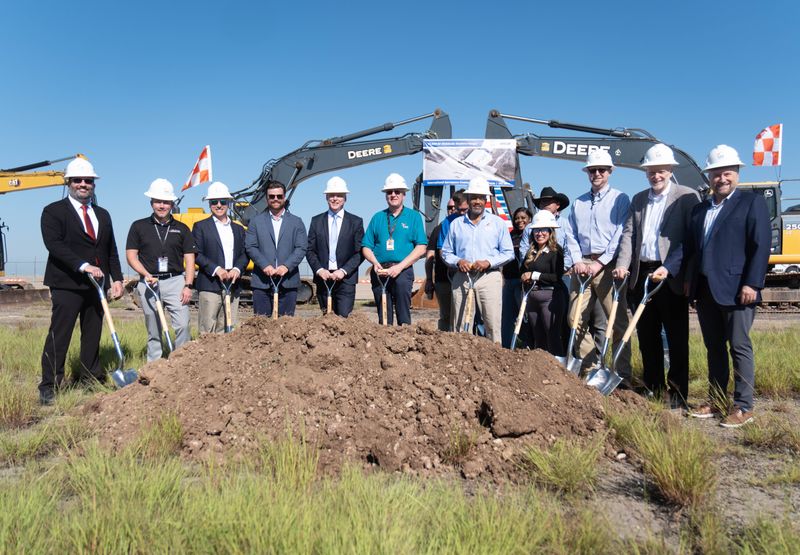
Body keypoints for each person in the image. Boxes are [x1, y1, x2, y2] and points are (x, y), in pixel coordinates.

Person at [685, 145, 771, 427]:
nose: (722, 178)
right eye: (716, 174)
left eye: (727, 173)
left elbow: (760, 246)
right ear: (708, 176)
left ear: (737, 173)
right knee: (714, 348)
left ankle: (744, 406)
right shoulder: (700, 210)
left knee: (739, 346)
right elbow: (694, 251)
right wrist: (691, 284)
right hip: (707, 289)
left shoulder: (750, 203)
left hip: (738, 289)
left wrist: (752, 283)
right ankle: (717, 400)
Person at [613, 144, 701, 408]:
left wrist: (672, 267)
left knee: (676, 339)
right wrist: (622, 264)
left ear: (670, 170)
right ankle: (653, 388)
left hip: (669, 275)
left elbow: (690, 239)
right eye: (651, 171)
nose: (656, 176)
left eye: (661, 171)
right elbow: (629, 235)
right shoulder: (638, 199)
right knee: (647, 337)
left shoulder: (687, 196)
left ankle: (677, 395)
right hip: (642, 274)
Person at [39, 158, 123, 405]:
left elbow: (111, 250)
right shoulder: (53, 211)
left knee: (93, 334)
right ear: (68, 183)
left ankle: (89, 377)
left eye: (88, 181)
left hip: (96, 286)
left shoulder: (102, 214)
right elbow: (54, 245)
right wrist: (83, 265)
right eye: (78, 180)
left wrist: (116, 279)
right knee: (60, 334)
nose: (84, 184)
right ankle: (49, 385)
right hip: (67, 283)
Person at [564, 150, 632, 382]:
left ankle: (622, 373)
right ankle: (592, 365)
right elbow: (570, 234)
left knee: (618, 320)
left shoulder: (620, 199)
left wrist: (601, 263)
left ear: (610, 172)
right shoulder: (578, 202)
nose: (597, 174)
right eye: (593, 170)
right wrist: (576, 261)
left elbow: (620, 233)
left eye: (601, 170)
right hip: (582, 265)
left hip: (608, 266)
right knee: (574, 318)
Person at [126, 179, 196, 361]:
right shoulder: (138, 226)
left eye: (166, 202)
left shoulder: (182, 228)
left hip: (176, 282)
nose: (162, 205)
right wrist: (146, 275)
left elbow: (189, 259)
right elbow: (131, 256)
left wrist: (188, 285)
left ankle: (182, 363)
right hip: (149, 282)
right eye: (158, 201)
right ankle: (154, 367)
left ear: (172, 204)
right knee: (154, 328)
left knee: (182, 325)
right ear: (151, 203)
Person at [442, 177, 514, 342]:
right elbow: (446, 252)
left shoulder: (497, 224)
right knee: (460, 325)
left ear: (486, 199)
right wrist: (458, 261)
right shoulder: (457, 224)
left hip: (489, 277)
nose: (477, 201)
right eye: (473, 197)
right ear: (467, 199)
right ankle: (460, 361)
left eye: (481, 197)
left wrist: (489, 262)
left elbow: (508, 252)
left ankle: (495, 360)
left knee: (492, 324)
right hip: (462, 278)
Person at [362, 173, 428, 325]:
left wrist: (399, 267)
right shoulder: (377, 217)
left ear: (404, 194)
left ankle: (404, 342)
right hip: (380, 272)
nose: (393, 195)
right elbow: (366, 246)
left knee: (403, 313)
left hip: (402, 271)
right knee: (383, 315)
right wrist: (375, 263)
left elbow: (421, 247)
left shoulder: (413, 217)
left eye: (397, 191)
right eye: (389, 192)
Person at [192, 181, 248, 333]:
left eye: (222, 201)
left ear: (228, 203)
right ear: (209, 204)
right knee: (207, 328)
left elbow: (245, 252)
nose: (218, 205)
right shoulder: (200, 226)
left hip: (233, 282)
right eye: (214, 202)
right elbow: (197, 253)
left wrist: (237, 268)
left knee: (228, 327)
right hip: (210, 284)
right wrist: (216, 269)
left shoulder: (238, 228)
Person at [245, 181, 307, 317]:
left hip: (288, 282)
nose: (275, 199)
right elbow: (251, 246)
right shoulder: (256, 222)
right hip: (262, 282)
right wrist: (264, 265)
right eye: (271, 196)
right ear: (266, 198)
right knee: (261, 327)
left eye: (279, 196)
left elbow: (301, 247)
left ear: (284, 197)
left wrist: (286, 266)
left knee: (286, 328)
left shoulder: (297, 222)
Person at [306, 176, 364, 317]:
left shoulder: (355, 222)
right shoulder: (316, 221)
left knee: (343, 318)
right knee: (326, 318)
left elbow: (360, 252)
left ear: (345, 198)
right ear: (326, 197)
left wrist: (343, 271)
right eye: (332, 195)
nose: (335, 198)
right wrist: (319, 270)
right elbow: (309, 250)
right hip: (323, 278)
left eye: (339, 195)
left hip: (346, 279)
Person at [520, 210, 567, 355]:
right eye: (536, 230)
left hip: (550, 298)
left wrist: (534, 275)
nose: (539, 233)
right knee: (538, 337)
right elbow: (522, 271)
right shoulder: (531, 251)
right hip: (532, 298)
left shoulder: (556, 251)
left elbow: (556, 277)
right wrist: (524, 276)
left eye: (543, 230)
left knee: (552, 336)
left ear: (550, 231)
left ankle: (559, 370)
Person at [425, 191, 467, 331]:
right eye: (451, 208)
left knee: (465, 315)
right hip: (444, 278)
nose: (454, 210)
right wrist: (429, 280)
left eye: (458, 208)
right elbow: (431, 255)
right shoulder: (441, 228)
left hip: (466, 275)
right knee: (446, 315)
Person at [501, 206, 532, 348]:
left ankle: (528, 344)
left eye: (523, 218)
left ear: (530, 219)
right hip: (509, 279)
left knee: (524, 316)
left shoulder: (533, 236)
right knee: (507, 317)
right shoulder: (509, 235)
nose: (520, 221)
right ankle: (507, 347)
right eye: (517, 218)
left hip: (523, 282)